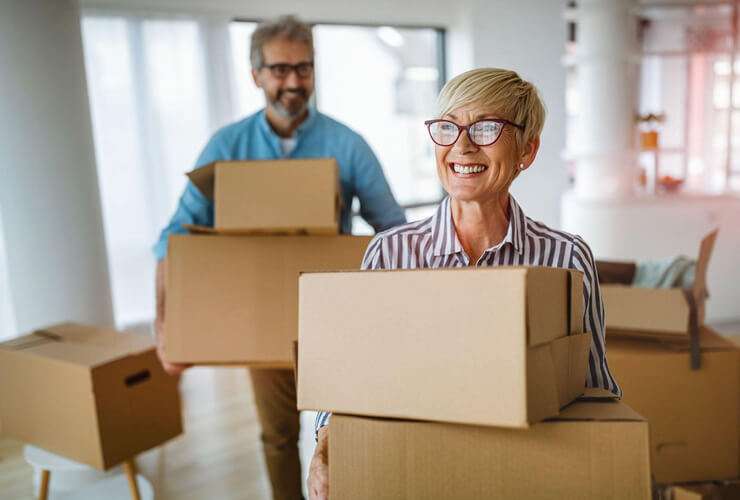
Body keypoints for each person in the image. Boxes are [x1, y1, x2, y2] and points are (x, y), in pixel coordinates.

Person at [306, 67, 621, 500]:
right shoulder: (391, 253)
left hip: (525, 476)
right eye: (448, 127)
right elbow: (351, 379)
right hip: (414, 472)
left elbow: (595, 384)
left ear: (527, 150)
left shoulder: (566, 258)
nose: (462, 145)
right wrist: (325, 447)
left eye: (487, 127)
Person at [152, 15, 406, 500]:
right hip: (262, 314)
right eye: (280, 69)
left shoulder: (347, 145)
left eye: (304, 69)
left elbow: (392, 229)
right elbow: (173, 237)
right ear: (257, 75)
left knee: (346, 434)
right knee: (277, 436)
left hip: (335, 316)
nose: (294, 81)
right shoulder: (228, 146)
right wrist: (165, 328)